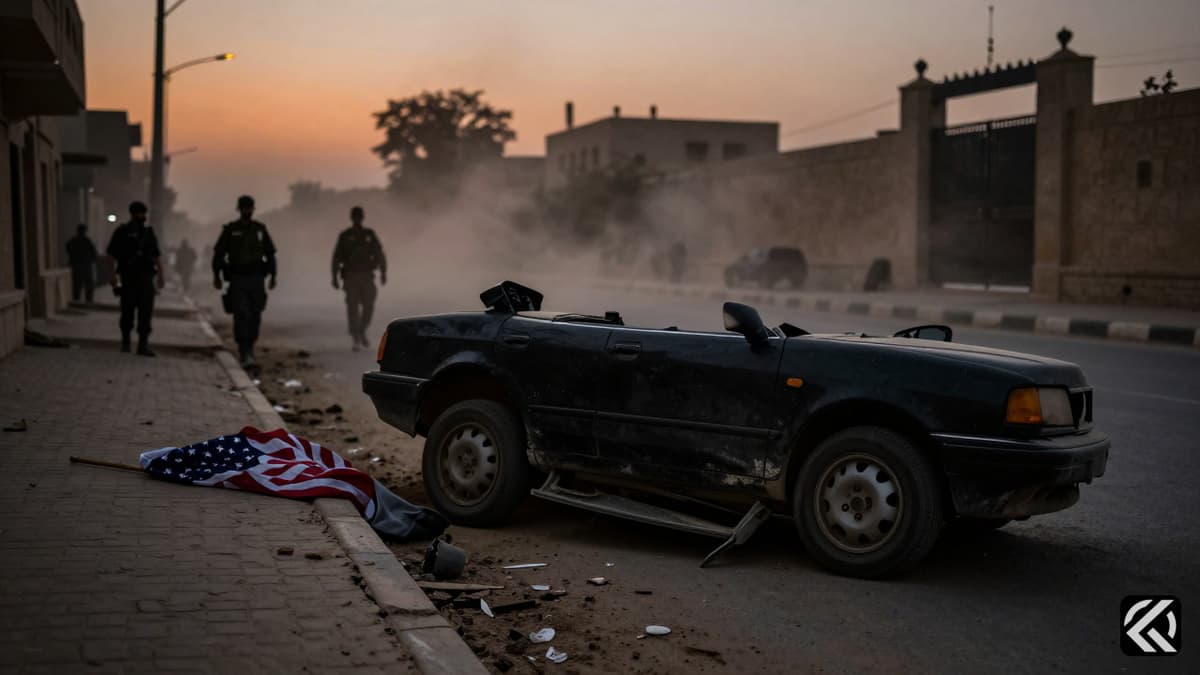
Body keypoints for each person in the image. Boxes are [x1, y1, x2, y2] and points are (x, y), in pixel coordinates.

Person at [212, 195, 277, 368]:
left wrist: (273, 277)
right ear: (239, 209)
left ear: (253, 209)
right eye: (244, 208)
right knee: (241, 313)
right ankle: (244, 349)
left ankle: (250, 347)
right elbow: (219, 254)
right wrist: (216, 276)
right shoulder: (231, 230)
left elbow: (270, 254)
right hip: (238, 278)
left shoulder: (260, 230)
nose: (247, 211)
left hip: (256, 278)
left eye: (249, 208)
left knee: (255, 313)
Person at [105, 201, 163, 356]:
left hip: (146, 279)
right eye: (139, 213)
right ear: (132, 214)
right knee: (127, 311)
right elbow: (111, 255)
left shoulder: (148, 233)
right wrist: (112, 276)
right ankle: (126, 343)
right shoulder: (122, 232)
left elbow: (156, 256)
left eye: (143, 213)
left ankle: (143, 345)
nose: (142, 216)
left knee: (146, 312)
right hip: (129, 278)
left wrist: (161, 276)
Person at [331, 206, 386, 351]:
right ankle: (355, 337)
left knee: (369, 305)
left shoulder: (369, 234)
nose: (357, 219)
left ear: (362, 217)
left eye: (359, 216)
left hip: (367, 276)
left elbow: (379, 254)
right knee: (352, 307)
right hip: (351, 277)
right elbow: (336, 258)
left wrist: (384, 272)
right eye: (355, 216)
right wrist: (334, 277)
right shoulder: (345, 236)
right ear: (352, 218)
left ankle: (362, 329)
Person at [66, 223, 98, 303]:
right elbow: (94, 253)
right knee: (87, 285)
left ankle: (77, 300)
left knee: (77, 285)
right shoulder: (86, 241)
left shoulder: (73, 241)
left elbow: (68, 250)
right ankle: (88, 301)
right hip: (85, 266)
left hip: (77, 265)